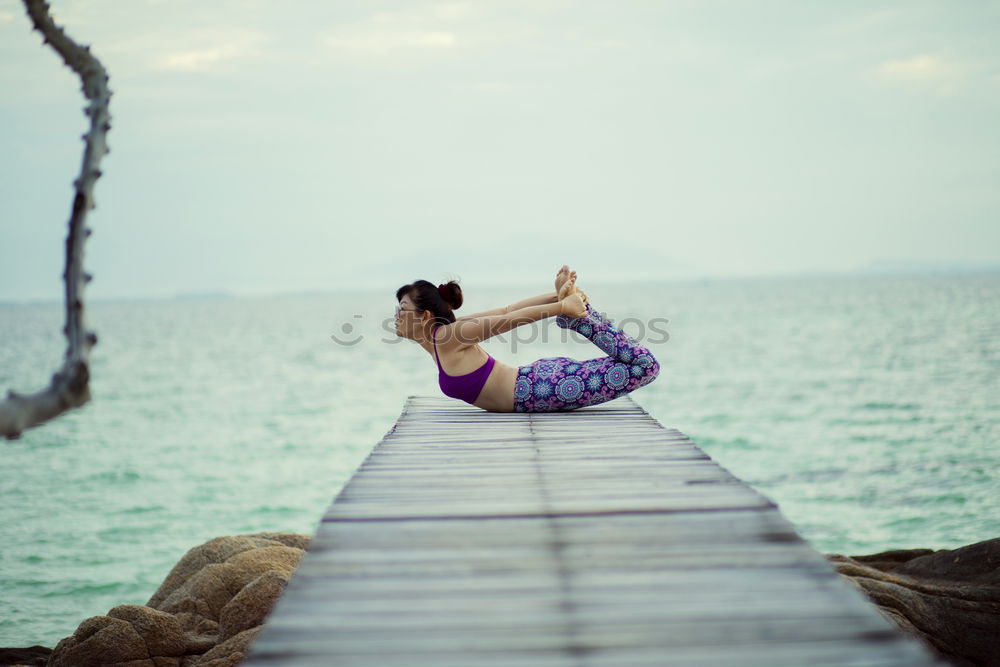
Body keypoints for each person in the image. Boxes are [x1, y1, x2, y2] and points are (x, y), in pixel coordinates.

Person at [394, 266, 661, 413]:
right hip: (541, 384)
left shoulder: (447, 336)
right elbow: (507, 311)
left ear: (425, 315)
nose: (396, 314)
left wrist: (561, 306)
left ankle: (579, 317)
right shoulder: (447, 336)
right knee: (640, 365)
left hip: (542, 389)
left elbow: (507, 319)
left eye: (402, 308)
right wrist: (555, 298)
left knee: (646, 366)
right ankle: (577, 316)